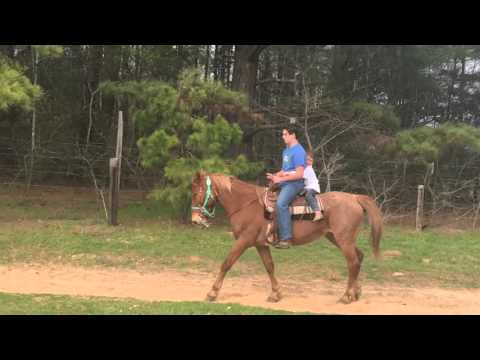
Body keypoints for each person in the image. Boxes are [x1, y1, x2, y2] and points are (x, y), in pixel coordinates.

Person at [266, 127, 307, 249]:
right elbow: (285, 170)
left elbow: (299, 174)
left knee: (281, 204)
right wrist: (275, 175)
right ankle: (270, 232)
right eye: (282, 134)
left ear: (293, 135)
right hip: (285, 182)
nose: (283, 136)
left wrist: (281, 179)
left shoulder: (299, 151)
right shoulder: (286, 151)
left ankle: (286, 238)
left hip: (295, 183)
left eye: (285, 134)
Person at [304, 151, 323, 221]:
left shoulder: (308, 169)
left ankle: (318, 212)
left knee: (308, 195)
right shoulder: (304, 168)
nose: (309, 162)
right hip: (307, 187)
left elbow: (300, 178)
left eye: (311, 160)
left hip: (313, 187)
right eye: (307, 160)